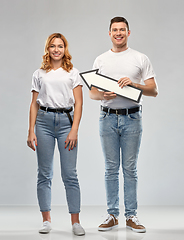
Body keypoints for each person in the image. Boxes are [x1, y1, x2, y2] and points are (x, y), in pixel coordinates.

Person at [89, 17, 158, 233]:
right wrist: (103, 95)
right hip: (107, 118)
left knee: (130, 169)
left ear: (129, 33)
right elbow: (92, 93)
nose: (118, 33)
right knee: (110, 169)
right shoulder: (100, 60)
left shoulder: (140, 58)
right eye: (114, 30)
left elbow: (153, 90)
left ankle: (131, 216)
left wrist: (134, 84)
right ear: (109, 33)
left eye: (122, 30)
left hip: (132, 118)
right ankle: (111, 215)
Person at [27, 33, 85, 236]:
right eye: (53, 46)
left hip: (65, 124)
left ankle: (76, 222)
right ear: (48, 49)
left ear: (65, 49)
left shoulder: (73, 73)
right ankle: (46, 220)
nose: (56, 49)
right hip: (43, 122)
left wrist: (74, 130)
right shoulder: (39, 73)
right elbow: (34, 104)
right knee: (44, 173)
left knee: (70, 174)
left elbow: (79, 103)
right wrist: (31, 130)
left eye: (60, 46)